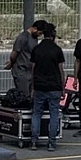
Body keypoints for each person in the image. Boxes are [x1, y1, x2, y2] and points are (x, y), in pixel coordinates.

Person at [30, 23, 65, 152]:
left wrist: (33, 87)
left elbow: (33, 70)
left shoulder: (36, 49)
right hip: (54, 86)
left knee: (37, 113)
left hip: (39, 85)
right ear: (53, 35)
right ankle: (51, 142)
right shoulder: (57, 50)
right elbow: (61, 70)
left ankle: (34, 141)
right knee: (54, 114)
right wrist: (62, 88)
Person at [4, 19, 46, 98]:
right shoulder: (23, 38)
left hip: (30, 71)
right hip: (22, 71)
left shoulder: (34, 38)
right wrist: (11, 63)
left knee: (31, 95)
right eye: (40, 33)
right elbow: (14, 53)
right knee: (24, 95)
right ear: (35, 29)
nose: (40, 35)